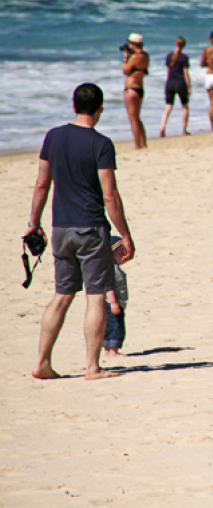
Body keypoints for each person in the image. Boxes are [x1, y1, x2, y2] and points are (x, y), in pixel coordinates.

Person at [25, 83, 135, 380]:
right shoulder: (101, 143)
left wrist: (33, 223)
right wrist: (125, 235)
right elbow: (110, 195)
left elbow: (42, 184)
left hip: (60, 228)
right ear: (100, 109)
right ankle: (92, 367)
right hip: (91, 228)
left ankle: (42, 363)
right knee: (96, 296)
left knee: (62, 296)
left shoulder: (53, 137)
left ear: (74, 106)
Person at [103, 236, 131, 358]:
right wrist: (113, 303)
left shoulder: (111, 267)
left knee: (108, 326)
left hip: (110, 304)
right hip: (113, 303)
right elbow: (109, 287)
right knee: (117, 326)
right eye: (121, 253)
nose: (124, 256)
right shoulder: (111, 269)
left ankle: (107, 350)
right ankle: (113, 351)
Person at [122, 32, 150, 149]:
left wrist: (125, 58)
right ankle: (143, 143)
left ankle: (137, 144)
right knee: (137, 118)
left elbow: (125, 70)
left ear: (133, 44)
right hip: (140, 88)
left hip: (131, 89)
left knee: (133, 119)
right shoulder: (145, 56)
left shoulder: (134, 57)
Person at [160, 36, 192, 137]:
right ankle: (184, 130)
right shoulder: (184, 57)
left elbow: (168, 71)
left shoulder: (169, 56)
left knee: (168, 107)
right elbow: (186, 73)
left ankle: (163, 127)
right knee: (185, 106)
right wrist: (189, 87)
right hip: (180, 83)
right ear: (184, 45)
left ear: (175, 43)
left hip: (169, 83)